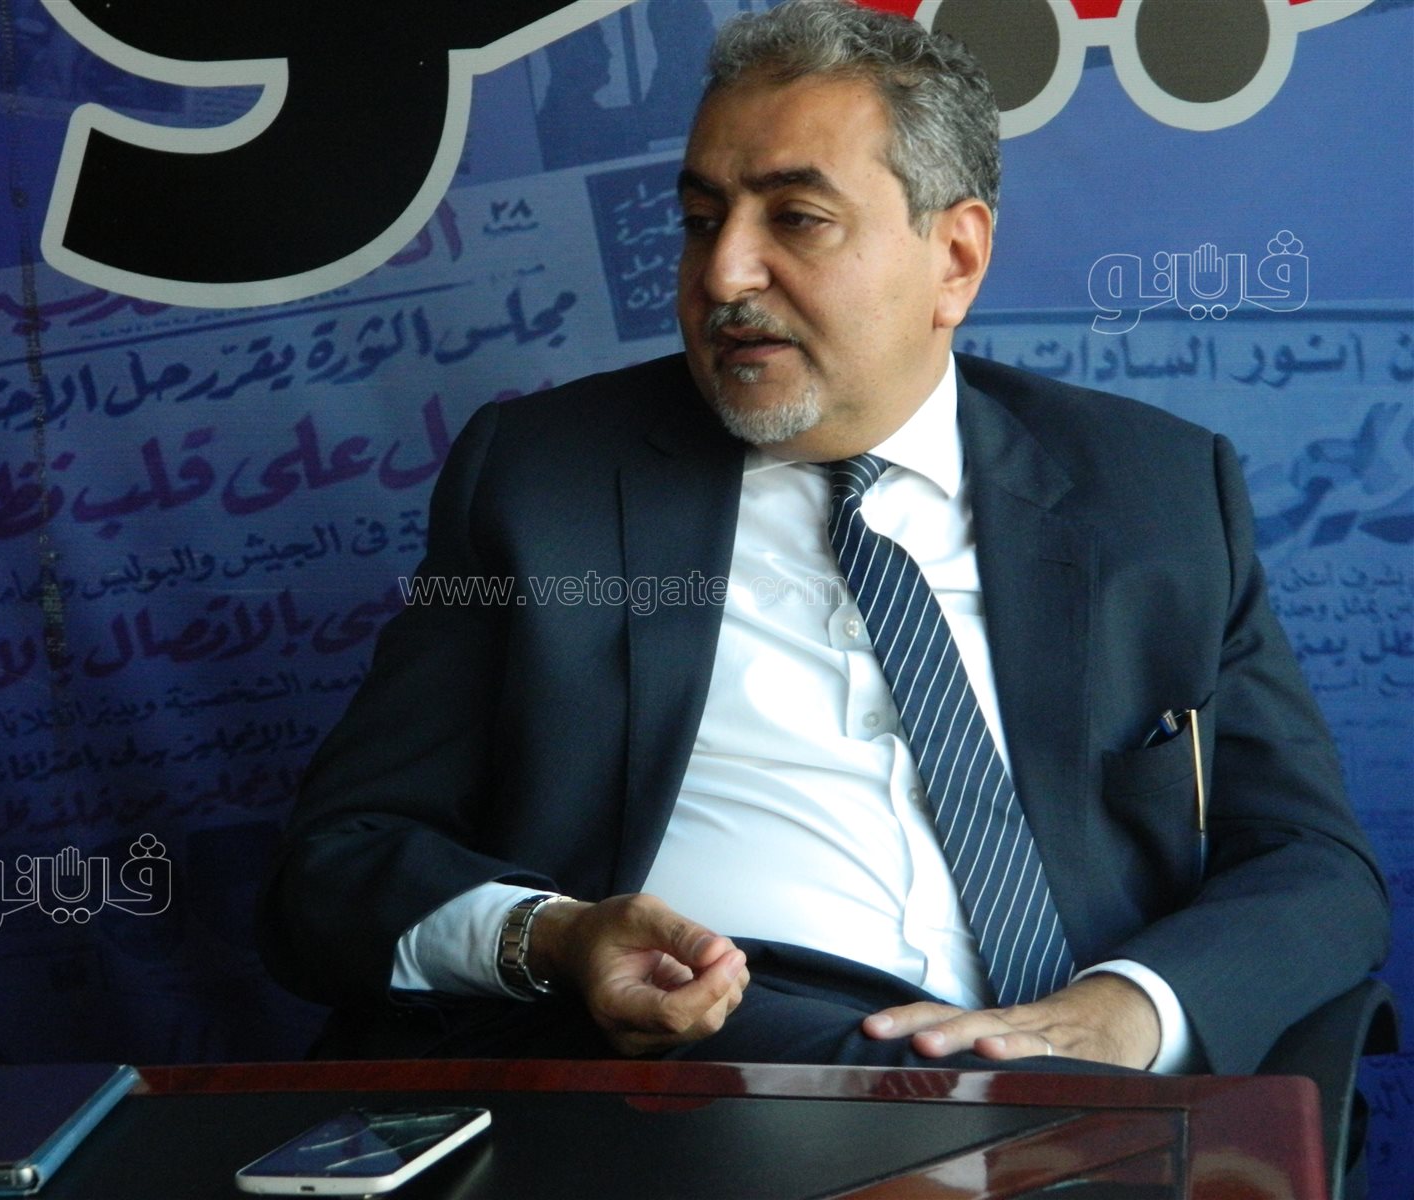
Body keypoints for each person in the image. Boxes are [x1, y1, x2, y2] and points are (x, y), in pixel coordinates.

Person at [257, 0, 1387, 1077]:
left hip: (1079, 1109)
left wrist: (1124, 1014)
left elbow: (1314, 867)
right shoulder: (544, 482)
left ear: (955, 258)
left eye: (795, 218)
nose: (723, 274)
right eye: (701, 220)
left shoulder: (1155, 491)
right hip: (702, 1086)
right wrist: (556, 938)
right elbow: (337, 865)